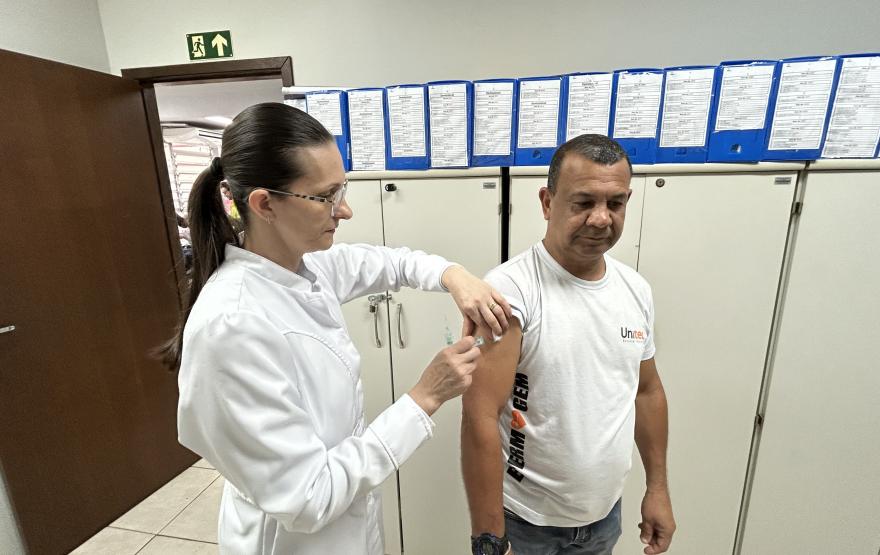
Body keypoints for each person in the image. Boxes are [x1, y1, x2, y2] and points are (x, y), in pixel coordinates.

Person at [157, 103, 512, 554]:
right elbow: (308, 497)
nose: (344, 211)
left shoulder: (302, 266)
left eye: (341, 190)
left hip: (346, 529)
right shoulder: (233, 326)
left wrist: (453, 275)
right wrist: (425, 397)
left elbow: (387, 262)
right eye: (325, 197)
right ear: (265, 204)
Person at [461, 134, 676, 555]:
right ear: (547, 202)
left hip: (604, 517)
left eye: (615, 203)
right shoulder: (511, 290)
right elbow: (479, 415)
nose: (601, 218)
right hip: (527, 524)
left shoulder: (635, 290)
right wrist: (488, 536)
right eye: (583, 203)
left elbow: (647, 392)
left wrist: (658, 489)